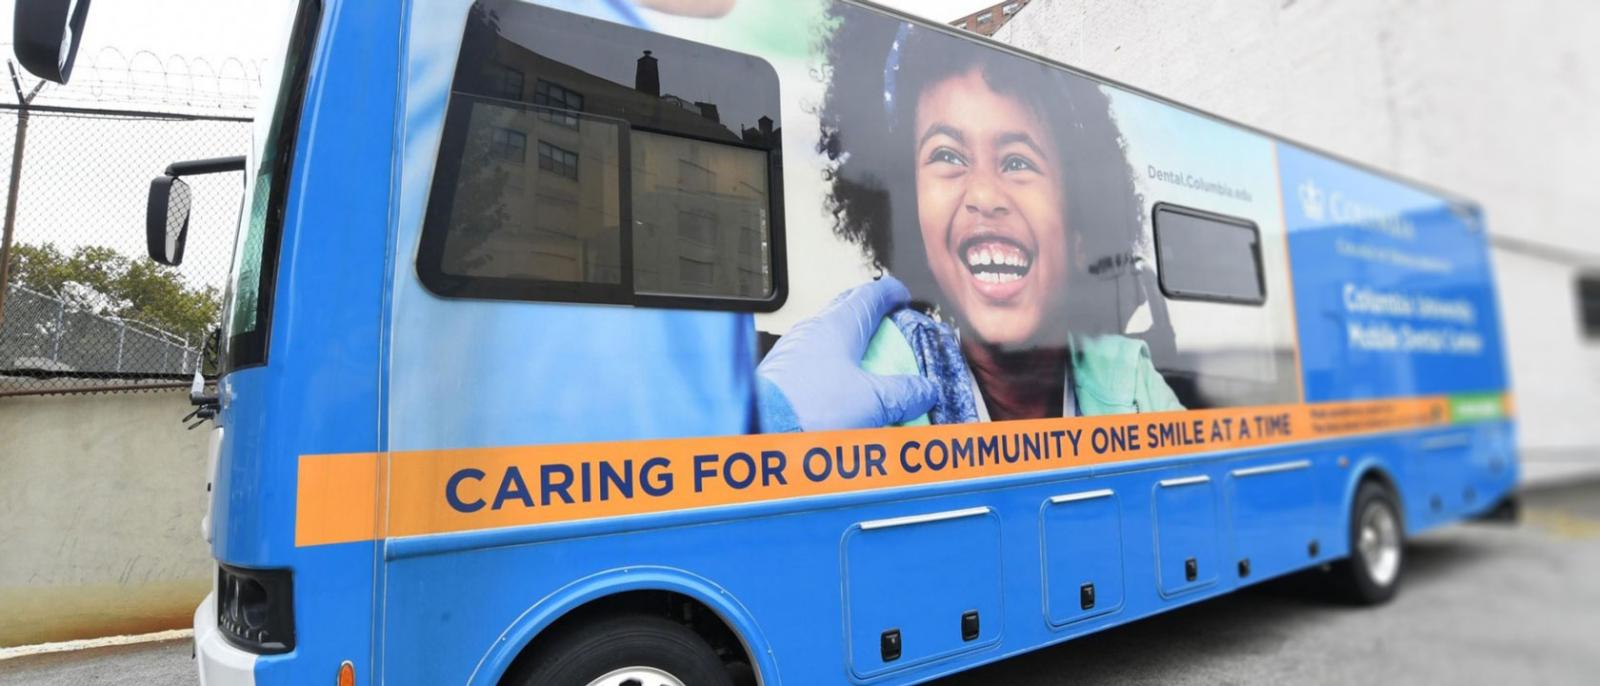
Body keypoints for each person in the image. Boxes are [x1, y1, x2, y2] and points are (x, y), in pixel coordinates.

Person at [757, 16, 1182, 432]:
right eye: (947, 156)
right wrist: (772, 426)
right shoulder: (885, 371)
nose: (983, 196)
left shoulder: (1131, 379)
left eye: (1018, 162)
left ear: (1079, 230)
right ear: (913, 219)